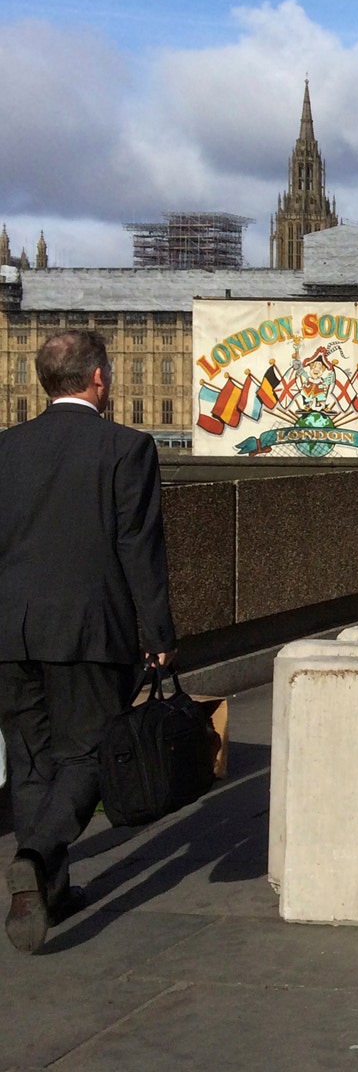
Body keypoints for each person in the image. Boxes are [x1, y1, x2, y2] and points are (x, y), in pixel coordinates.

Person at [1, 330, 175, 954]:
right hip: (89, 630)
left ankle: (50, 891)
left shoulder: (7, 448)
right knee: (92, 755)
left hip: (10, 631)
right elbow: (139, 546)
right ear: (99, 379)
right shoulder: (126, 447)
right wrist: (158, 634)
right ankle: (37, 853)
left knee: (29, 760)